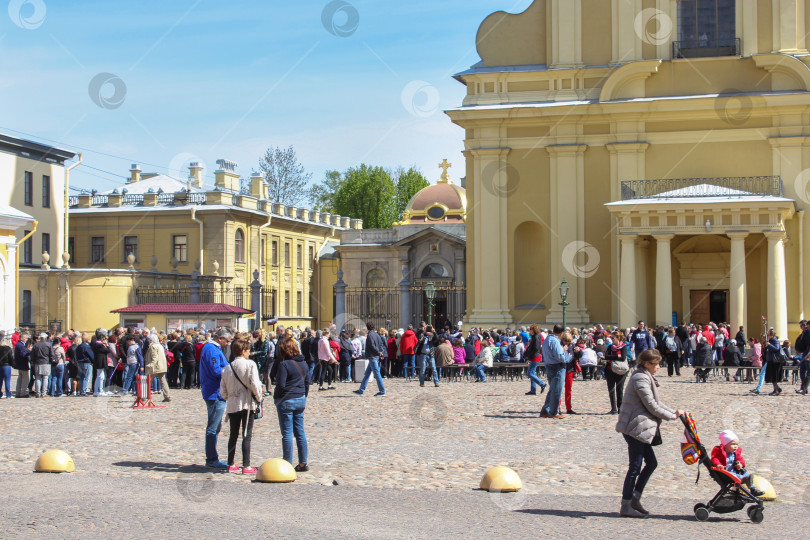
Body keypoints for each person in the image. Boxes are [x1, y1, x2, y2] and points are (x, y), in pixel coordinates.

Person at [615, 349, 684, 518]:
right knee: (635, 467)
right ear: (647, 364)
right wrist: (672, 416)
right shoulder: (640, 378)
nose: (659, 367)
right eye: (657, 364)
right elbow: (651, 405)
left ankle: (635, 498)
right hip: (635, 427)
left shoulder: (645, 377)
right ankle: (626, 504)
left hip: (640, 426)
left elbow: (657, 403)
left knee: (651, 463)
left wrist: (675, 412)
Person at [220, 338, 262, 474]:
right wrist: (258, 397)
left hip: (232, 404)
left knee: (233, 434)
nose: (249, 353)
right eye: (248, 350)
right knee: (246, 434)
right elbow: (255, 384)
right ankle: (246, 466)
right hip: (247, 403)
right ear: (243, 351)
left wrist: (230, 397)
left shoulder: (227, 368)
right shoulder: (250, 365)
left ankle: (231, 463)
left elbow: (222, 390)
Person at [274, 338, 310, 472]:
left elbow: (281, 385)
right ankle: (303, 462)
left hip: (286, 400)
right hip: (300, 399)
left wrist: (276, 397)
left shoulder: (285, 365)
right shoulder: (304, 364)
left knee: (287, 434)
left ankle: (287, 463)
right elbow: (307, 384)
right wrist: (303, 398)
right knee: (300, 432)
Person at [200, 328, 232, 469]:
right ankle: (212, 458)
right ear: (220, 339)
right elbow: (216, 371)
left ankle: (212, 457)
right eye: (227, 341)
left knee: (216, 427)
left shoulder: (214, 348)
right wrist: (231, 372)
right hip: (214, 392)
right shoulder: (211, 349)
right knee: (213, 428)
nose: (228, 344)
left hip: (216, 391)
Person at [710, 430, 765, 496]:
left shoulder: (735, 453)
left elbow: (740, 459)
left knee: (745, 474)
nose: (735, 446)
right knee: (737, 476)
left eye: (736, 444)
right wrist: (718, 464)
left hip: (734, 470)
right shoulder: (719, 451)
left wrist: (740, 464)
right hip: (726, 473)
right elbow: (715, 458)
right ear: (725, 444)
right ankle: (744, 479)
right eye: (733, 444)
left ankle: (753, 489)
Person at [540, 324, 570, 419]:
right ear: (561, 333)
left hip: (549, 365)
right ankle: (553, 412)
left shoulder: (546, 340)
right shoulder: (555, 341)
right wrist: (568, 356)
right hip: (557, 367)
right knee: (557, 390)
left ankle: (545, 410)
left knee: (552, 390)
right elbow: (560, 357)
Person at [353, 322, 387, 397]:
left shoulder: (370, 335)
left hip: (372, 356)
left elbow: (372, 345)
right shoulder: (377, 334)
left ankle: (382, 391)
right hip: (375, 356)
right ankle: (361, 390)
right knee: (367, 374)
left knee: (377, 374)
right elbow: (381, 344)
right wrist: (381, 352)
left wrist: (379, 352)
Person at [605, 330, 629, 414]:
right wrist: (616, 356)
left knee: (620, 389)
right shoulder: (610, 347)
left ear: (618, 338)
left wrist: (611, 358)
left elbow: (623, 357)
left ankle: (620, 408)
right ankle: (613, 409)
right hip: (610, 370)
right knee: (611, 390)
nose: (611, 339)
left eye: (613, 337)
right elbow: (606, 356)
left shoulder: (624, 347)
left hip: (621, 371)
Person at [144, 334, 171, 402]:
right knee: (163, 381)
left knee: (148, 381)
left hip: (155, 366)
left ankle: (143, 396)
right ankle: (167, 396)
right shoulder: (160, 345)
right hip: (162, 366)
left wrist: (150, 365)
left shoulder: (153, 346)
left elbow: (154, 357)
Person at [524, 324, 547, 395]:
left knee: (529, 373)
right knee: (532, 373)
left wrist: (529, 358)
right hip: (535, 356)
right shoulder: (535, 336)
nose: (529, 331)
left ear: (533, 330)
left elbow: (535, 348)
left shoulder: (536, 337)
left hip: (535, 356)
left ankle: (542, 384)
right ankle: (533, 390)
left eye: (530, 329)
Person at [30, 333, 54, 398]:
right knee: (45, 378)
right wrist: (51, 361)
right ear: (45, 338)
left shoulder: (36, 345)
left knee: (37, 378)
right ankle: (44, 393)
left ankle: (38, 393)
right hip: (46, 362)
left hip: (37, 363)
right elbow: (51, 354)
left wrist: (34, 362)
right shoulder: (48, 345)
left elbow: (32, 355)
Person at [764, 332, 784, 396]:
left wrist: (769, 345)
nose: (767, 336)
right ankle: (777, 388)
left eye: (768, 335)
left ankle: (776, 390)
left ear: (772, 335)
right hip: (770, 360)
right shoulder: (770, 341)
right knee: (771, 376)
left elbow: (776, 348)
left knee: (774, 376)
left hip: (775, 361)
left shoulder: (775, 340)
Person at [14, 333, 31, 398]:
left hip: (20, 364)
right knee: (25, 379)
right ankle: (23, 393)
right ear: (22, 338)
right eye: (26, 338)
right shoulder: (21, 345)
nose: (26, 340)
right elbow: (23, 354)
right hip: (23, 364)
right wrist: (29, 351)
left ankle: (18, 392)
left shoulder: (18, 344)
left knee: (20, 379)